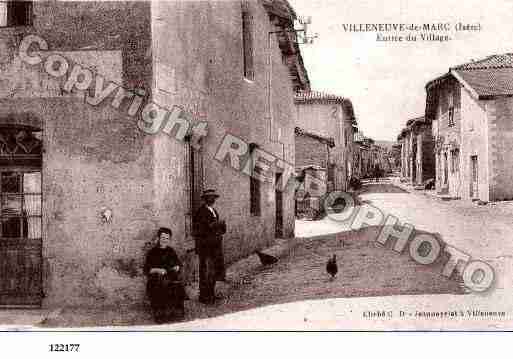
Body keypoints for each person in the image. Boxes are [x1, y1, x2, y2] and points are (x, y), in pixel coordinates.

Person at [144, 227, 187, 323]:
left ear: (169, 240)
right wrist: (158, 270)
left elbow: (178, 263)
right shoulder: (152, 252)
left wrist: (177, 267)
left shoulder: (171, 251)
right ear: (159, 238)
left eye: (167, 238)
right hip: (156, 280)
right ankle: (160, 313)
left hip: (170, 278)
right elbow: (147, 270)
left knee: (177, 285)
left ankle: (176, 311)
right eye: (163, 238)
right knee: (159, 286)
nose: (164, 240)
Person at [193, 189, 227, 305]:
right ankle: (204, 296)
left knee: (213, 271)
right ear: (205, 199)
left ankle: (211, 293)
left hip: (215, 246)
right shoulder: (201, 212)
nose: (212, 199)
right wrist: (216, 224)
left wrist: (221, 226)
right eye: (209, 197)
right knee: (206, 271)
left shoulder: (214, 211)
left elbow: (219, 229)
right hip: (206, 247)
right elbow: (201, 229)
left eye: (213, 197)